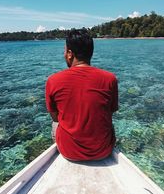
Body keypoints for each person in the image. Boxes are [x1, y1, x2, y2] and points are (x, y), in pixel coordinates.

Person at [45, 29, 118, 161]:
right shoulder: (110, 79)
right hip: (103, 150)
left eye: (64, 51)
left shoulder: (53, 80)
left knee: (55, 124)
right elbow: (110, 111)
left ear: (69, 54)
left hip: (69, 152)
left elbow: (55, 117)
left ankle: (59, 151)